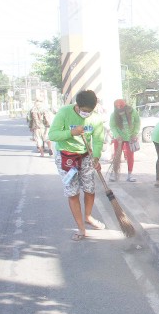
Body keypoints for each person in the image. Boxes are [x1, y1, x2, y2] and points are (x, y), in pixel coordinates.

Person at [47, 90, 106, 241]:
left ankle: (88, 216)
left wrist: (96, 157)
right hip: (66, 158)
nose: (86, 113)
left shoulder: (96, 119)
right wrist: (71, 132)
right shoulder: (64, 113)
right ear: (77, 106)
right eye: (84, 111)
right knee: (73, 193)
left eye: (90, 111)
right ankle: (81, 227)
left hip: (86, 156)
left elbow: (98, 140)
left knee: (90, 189)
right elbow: (52, 135)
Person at [109, 99, 141, 182]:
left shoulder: (133, 112)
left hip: (130, 137)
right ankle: (115, 175)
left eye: (121, 108)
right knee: (117, 156)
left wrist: (135, 133)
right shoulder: (113, 115)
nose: (120, 110)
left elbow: (137, 122)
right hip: (119, 138)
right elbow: (112, 126)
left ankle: (130, 175)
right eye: (118, 108)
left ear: (125, 106)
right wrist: (117, 135)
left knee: (130, 156)